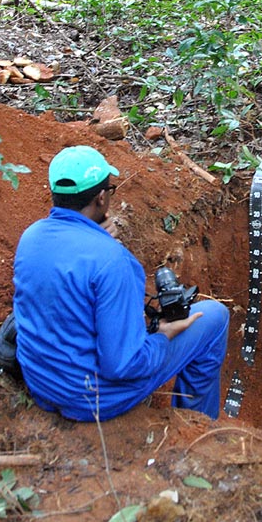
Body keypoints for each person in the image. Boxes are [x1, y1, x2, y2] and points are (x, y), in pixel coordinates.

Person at [13, 145, 229, 421]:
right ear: (101, 198)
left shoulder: (30, 237)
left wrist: (96, 237)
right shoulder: (112, 261)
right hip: (94, 400)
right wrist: (165, 336)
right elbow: (123, 366)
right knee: (215, 317)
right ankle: (198, 424)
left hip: (43, 386)